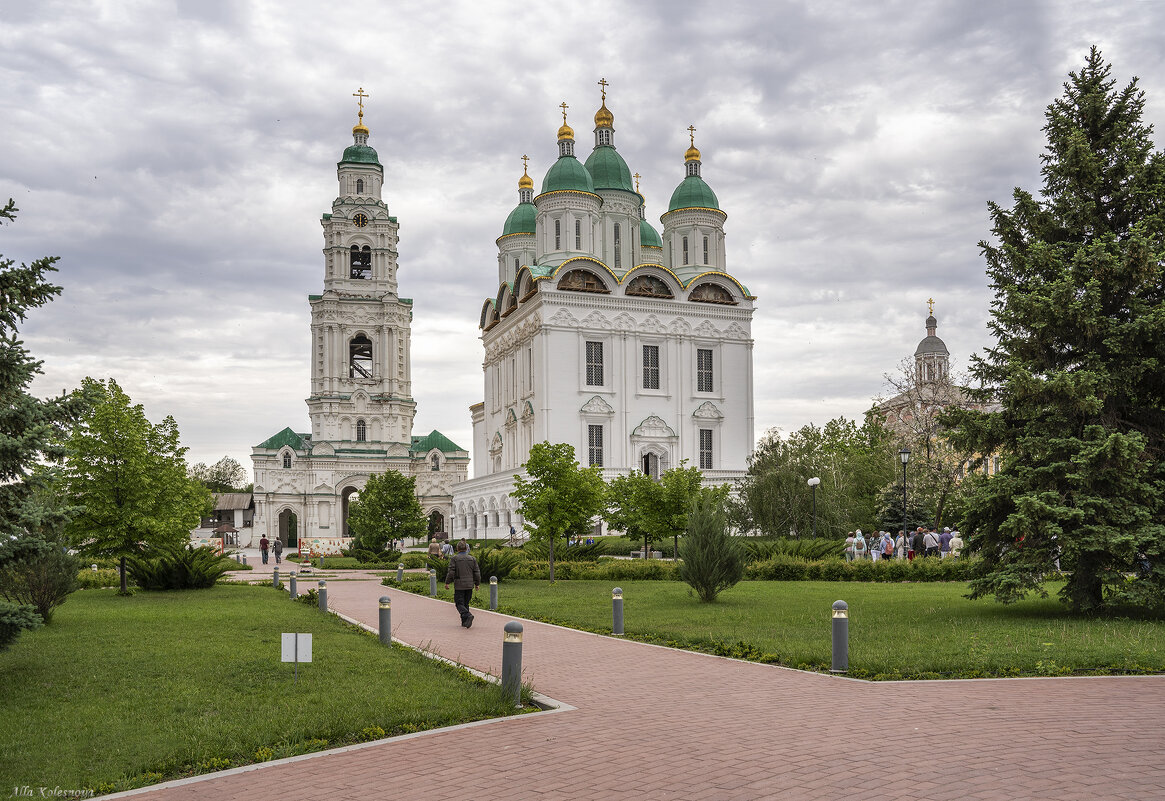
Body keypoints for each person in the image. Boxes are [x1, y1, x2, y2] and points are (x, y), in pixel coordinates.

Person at [444, 540, 481, 628]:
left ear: (457, 549)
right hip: (469, 585)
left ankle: (467, 615)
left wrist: (447, 582)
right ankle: (465, 622)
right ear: (466, 548)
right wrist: (477, 584)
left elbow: (451, 572)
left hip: (459, 585)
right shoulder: (472, 559)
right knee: (466, 603)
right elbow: (477, 572)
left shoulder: (454, 559)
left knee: (459, 603)